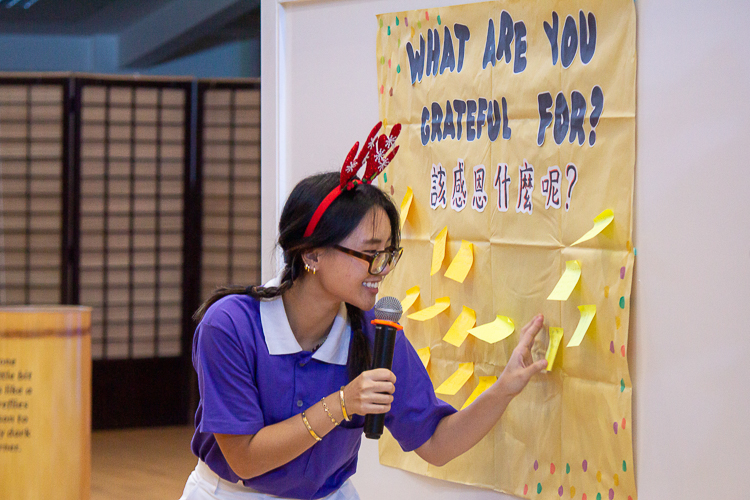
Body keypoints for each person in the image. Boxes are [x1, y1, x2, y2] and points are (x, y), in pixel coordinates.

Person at [179, 123, 548, 500]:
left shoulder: (376, 331)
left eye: (387, 253)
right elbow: (245, 460)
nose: (382, 269)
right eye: (369, 254)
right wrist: (343, 404)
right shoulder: (229, 326)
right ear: (312, 253)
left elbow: (436, 443)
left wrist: (505, 389)